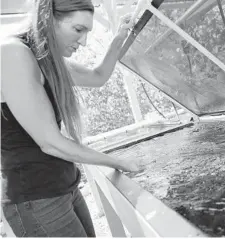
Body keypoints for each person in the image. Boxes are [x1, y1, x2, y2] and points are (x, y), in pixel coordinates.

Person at [1, 0, 141, 237]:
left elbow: (98, 76)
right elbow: (50, 142)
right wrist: (118, 162)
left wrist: (120, 37)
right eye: (78, 30)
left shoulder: (45, 57)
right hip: (35, 199)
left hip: (64, 186)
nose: (84, 42)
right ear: (48, 18)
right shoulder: (12, 53)